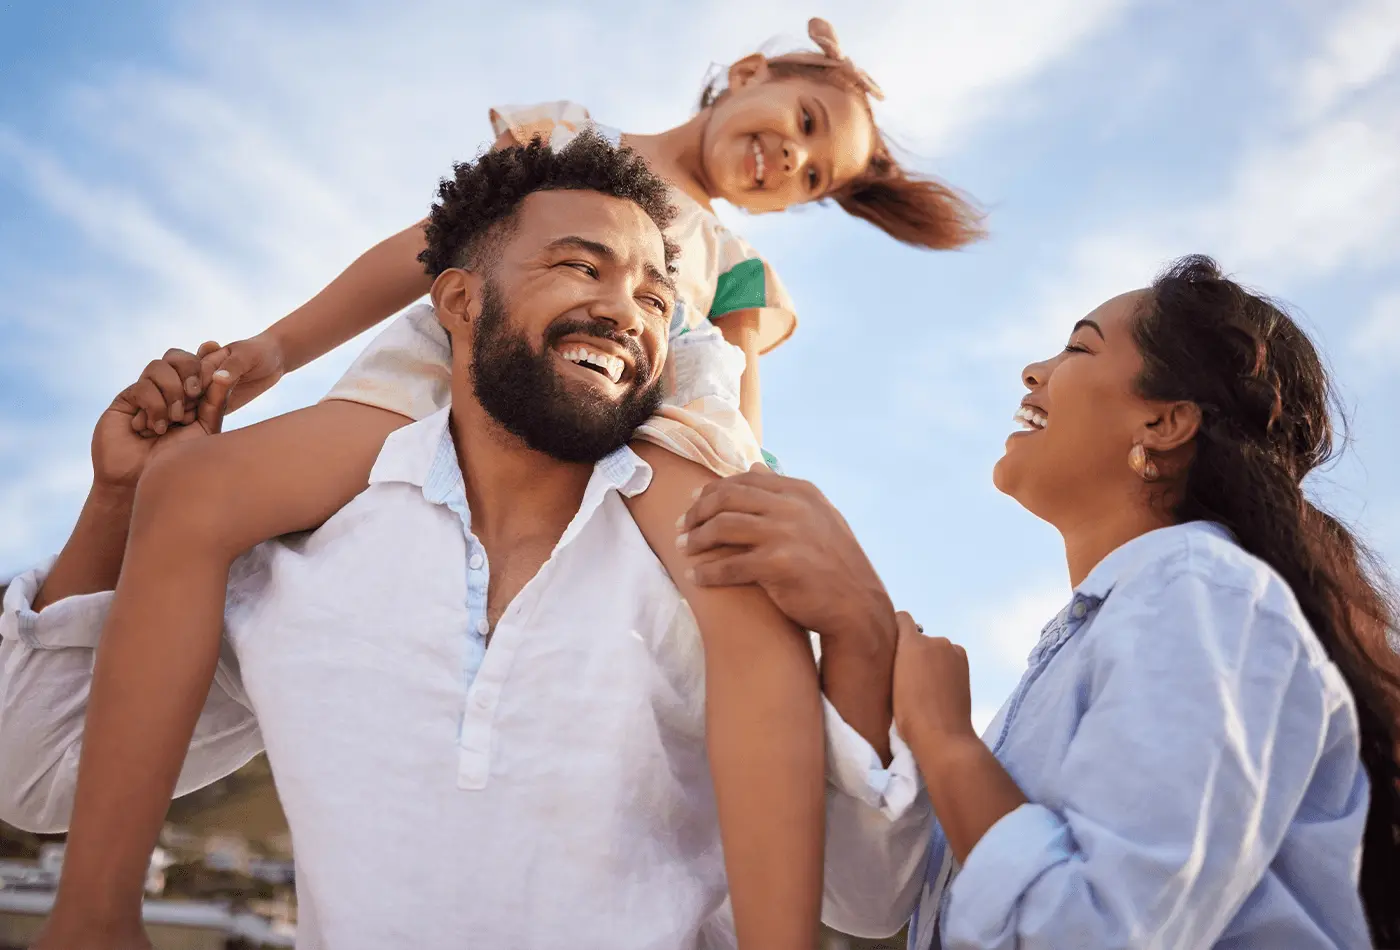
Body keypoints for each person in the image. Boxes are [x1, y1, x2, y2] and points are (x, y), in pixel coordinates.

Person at [24, 17, 980, 948]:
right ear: (747, 73)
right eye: (805, 123)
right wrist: (277, 348)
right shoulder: (565, 140)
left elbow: (737, 401)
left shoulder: (738, 271)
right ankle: (94, 911)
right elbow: (427, 247)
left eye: (813, 179)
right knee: (194, 487)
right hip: (447, 368)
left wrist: (755, 486)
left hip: (656, 405)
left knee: (733, 580)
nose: (791, 161)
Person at [676, 255, 1400, 947]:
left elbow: (1090, 934)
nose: (1034, 370)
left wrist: (946, 740)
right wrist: (859, 638)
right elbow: (869, 903)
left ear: (1163, 424)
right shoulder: (1109, 630)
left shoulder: (1201, 590)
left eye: (1080, 349)